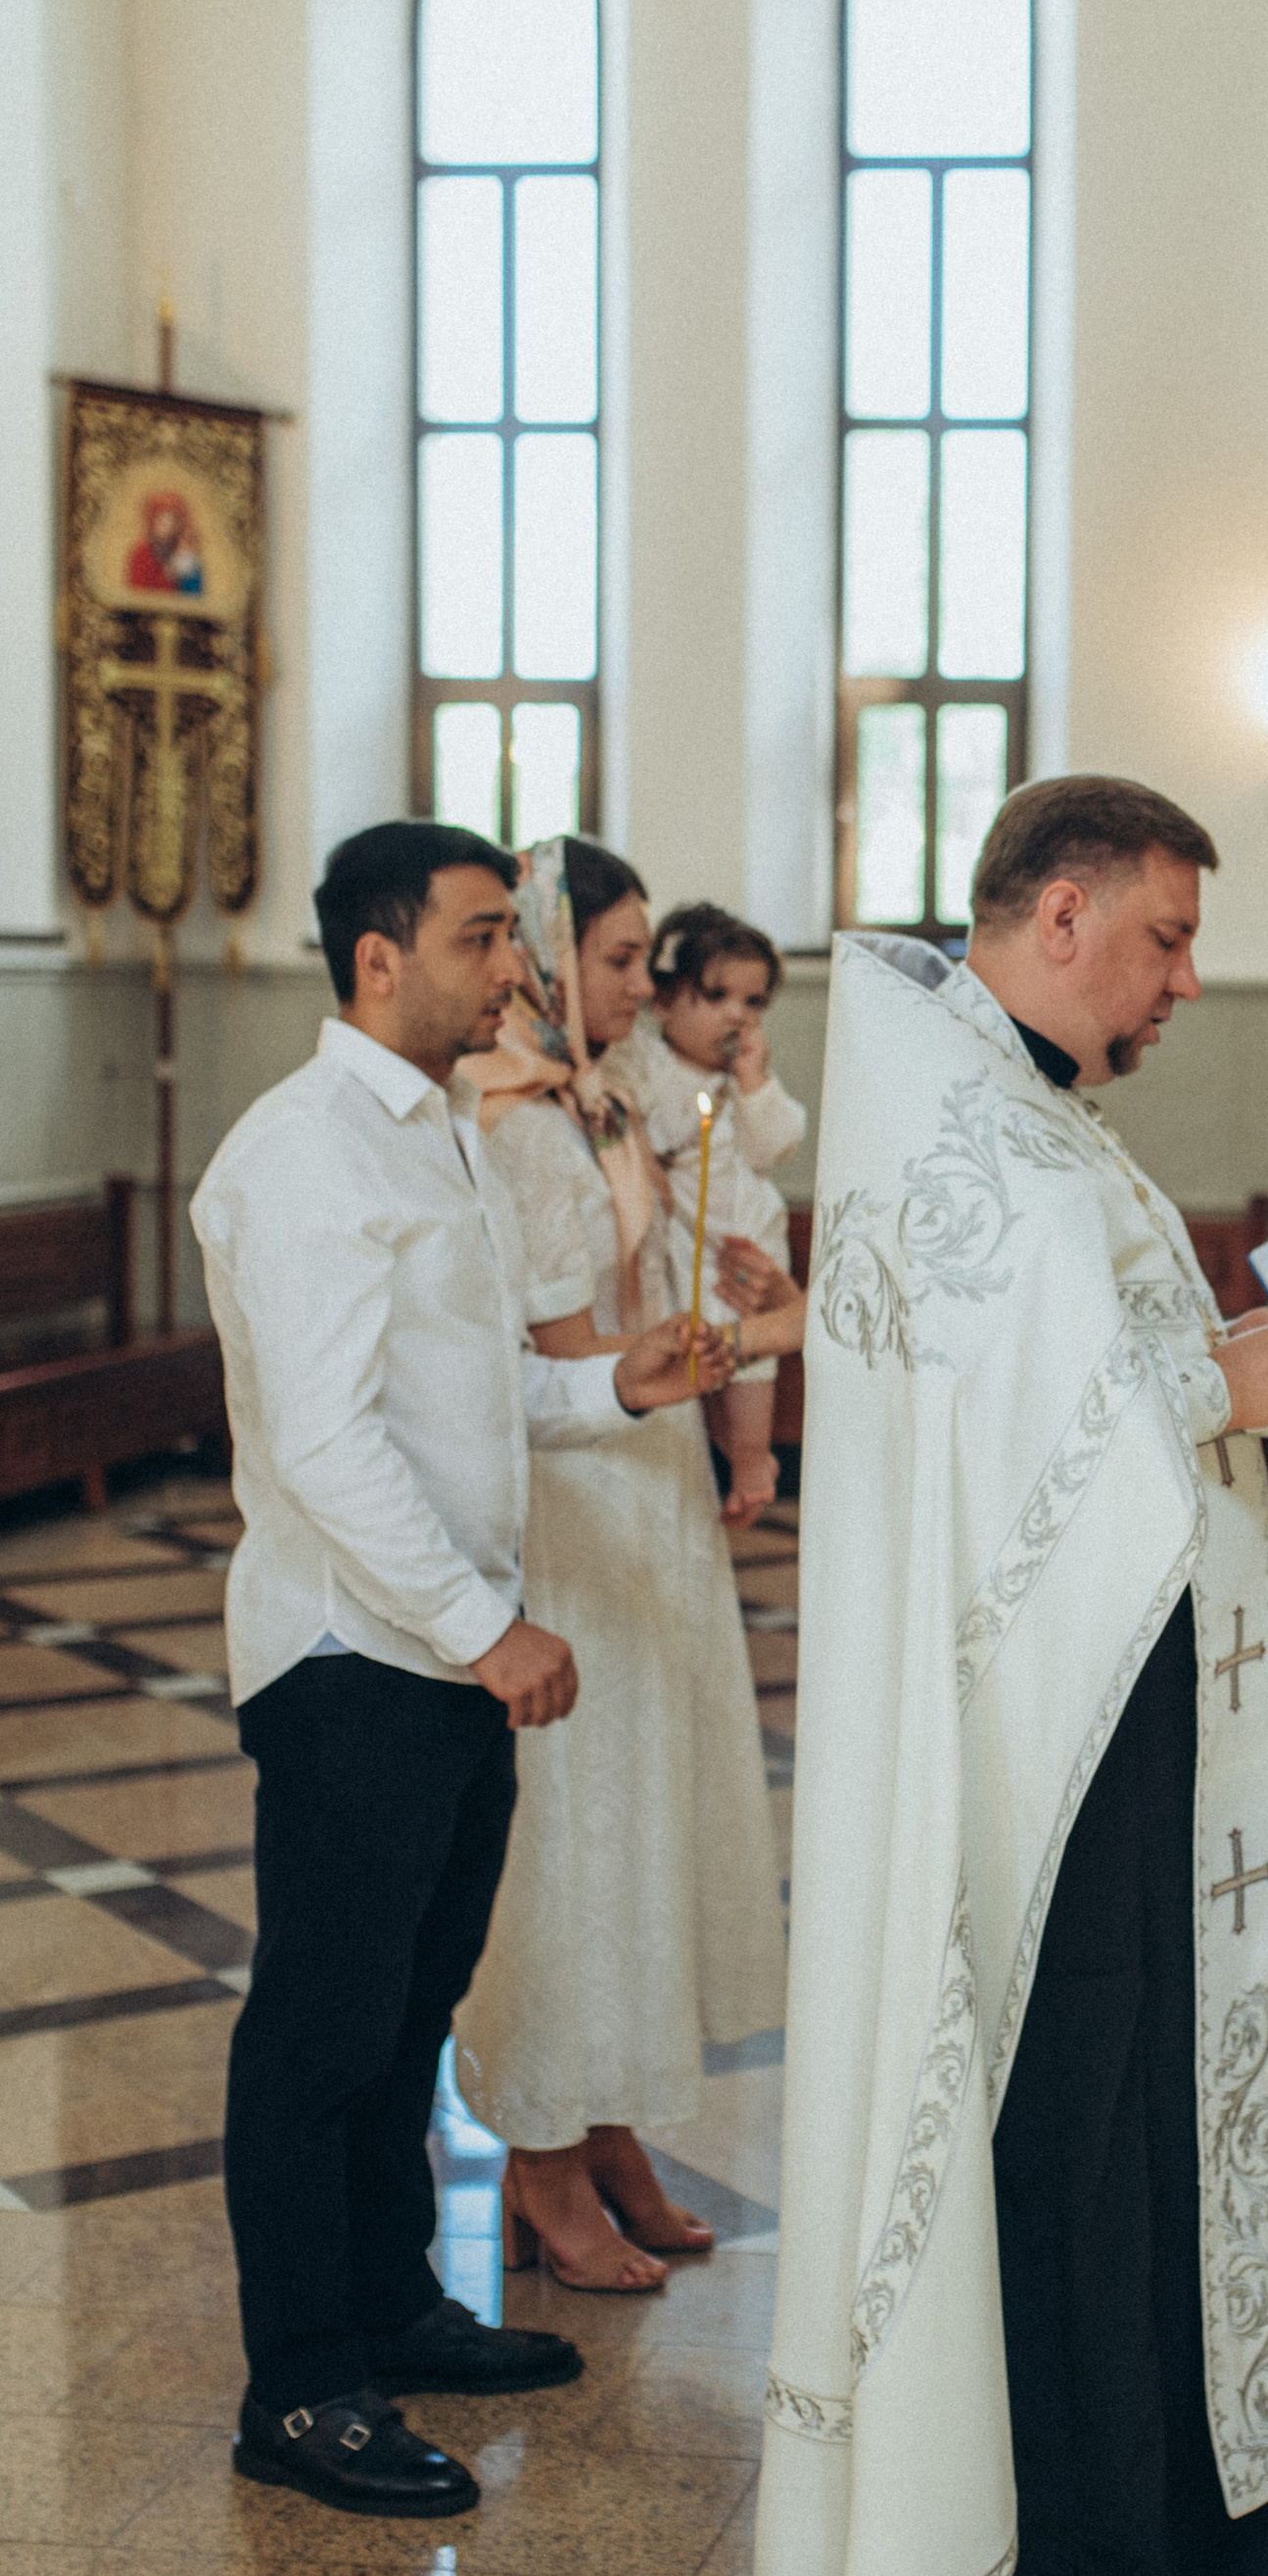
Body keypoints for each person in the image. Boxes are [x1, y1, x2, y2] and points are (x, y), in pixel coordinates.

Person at [726, 775, 1268, 2576]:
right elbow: (1023, 1443)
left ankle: (1156, 2527)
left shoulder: (1034, 1114)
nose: (1183, 982)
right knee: (1063, 2120)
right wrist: (1219, 1384)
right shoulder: (970, 1132)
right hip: (1033, 1729)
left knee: (1133, 2103)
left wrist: (1204, 1376)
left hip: (1116, 1693)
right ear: (1060, 914)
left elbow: (1051, 1391)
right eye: (1166, 938)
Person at [190, 820, 731, 2518]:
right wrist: (485, 1629)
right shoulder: (304, 1155)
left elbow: (480, 1397)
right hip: (352, 1654)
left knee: (409, 2010)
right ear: (379, 955)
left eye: (511, 933)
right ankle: (301, 2386)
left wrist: (619, 1385)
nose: (514, 965)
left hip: (431, 1652)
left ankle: (392, 2304)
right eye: (484, 935)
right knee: (321, 2031)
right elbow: (327, 1443)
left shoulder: (439, 1135)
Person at [452, 838, 787, 2292]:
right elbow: (549, 1344)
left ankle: (607, 2126)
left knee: (651, 1812)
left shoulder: (608, 1101)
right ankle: (539, 2148)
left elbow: (674, 1250)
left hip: (651, 1473)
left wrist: (734, 1301)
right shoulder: (516, 1122)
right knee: (575, 1828)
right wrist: (702, 1347)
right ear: (541, 954)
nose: (644, 983)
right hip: (574, 1488)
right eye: (619, 957)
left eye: (649, 957)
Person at [610, 901, 805, 1533]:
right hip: (688, 1239)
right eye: (717, 996)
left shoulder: (747, 1086)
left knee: (753, 1356)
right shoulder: (649, 1065)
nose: (738, 1016)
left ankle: (753, 1458)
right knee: (702, 1356)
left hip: (747, 1240)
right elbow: (623, 1102)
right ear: (664, 1001)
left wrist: (755, 1081)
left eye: (754, 1002)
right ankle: (728, 1450)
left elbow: (774, 1146)